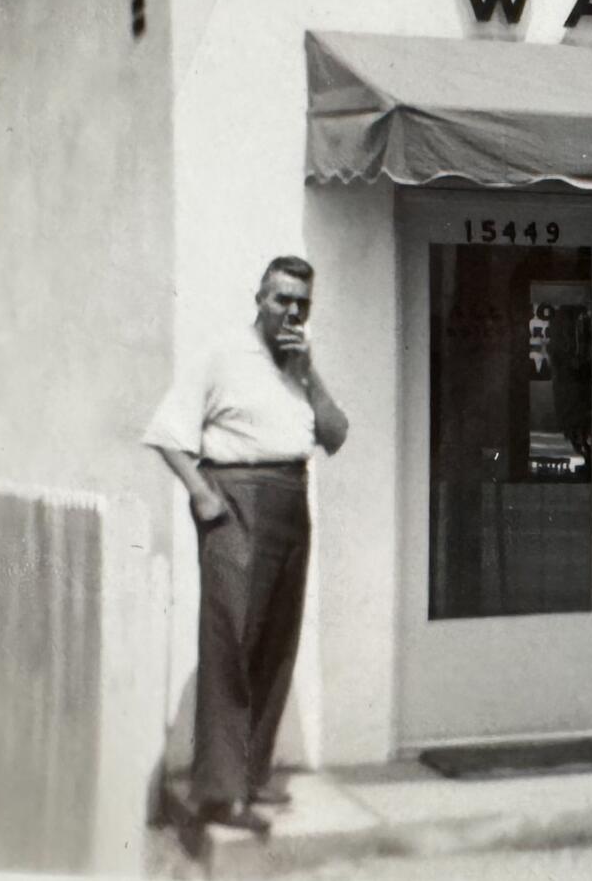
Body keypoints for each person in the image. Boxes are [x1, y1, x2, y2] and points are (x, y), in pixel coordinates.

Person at [143, 255, 349, 836]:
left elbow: (335, 435)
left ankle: (252, 777)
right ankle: (220, 791)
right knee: (232, 639)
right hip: (235, 498)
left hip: (291, 497)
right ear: (259, 298)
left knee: (276, 641)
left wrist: (309, 375)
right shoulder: (221, 355)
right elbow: (168, 432)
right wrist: (202, 495)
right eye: (281, 298)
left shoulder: (300, 366)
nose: (291, 311)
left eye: (301, 303)